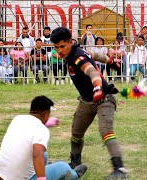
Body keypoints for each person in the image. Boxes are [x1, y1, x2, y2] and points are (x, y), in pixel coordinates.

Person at [51, 27, 128, 179]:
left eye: (62, 46)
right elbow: (94, 55)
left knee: (106, 131)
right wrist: (111, 61)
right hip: (86, 101)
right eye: (56, 47)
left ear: (70, 43)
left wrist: (98, 87)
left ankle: (120, 170)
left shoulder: (77, 57)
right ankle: (74, 164)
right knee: (76, 133)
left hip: (103, 98)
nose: (59, 51)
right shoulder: (76, 52)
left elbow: (91, 70)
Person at [0, 95, 88, 180]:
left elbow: (29, 128)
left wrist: (46, 123)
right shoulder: (42, 130)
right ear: (46, 114)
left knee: (44, 154)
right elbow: (37, 154)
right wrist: (42, 178)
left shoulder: (17, 119)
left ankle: (45, 168)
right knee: (64, 168)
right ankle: (75, 174)